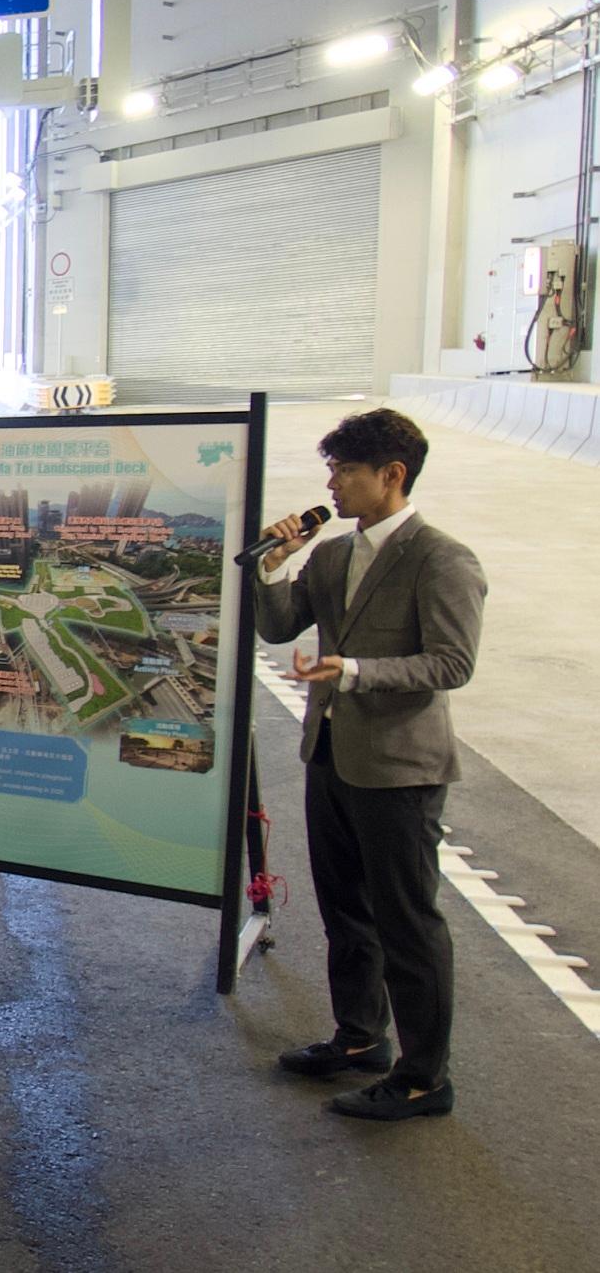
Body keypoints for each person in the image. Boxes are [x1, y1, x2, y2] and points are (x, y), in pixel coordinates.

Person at [254, 406, 485, 1122]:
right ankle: (359, 1040)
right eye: (331, 469)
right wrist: (269, 567)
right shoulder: (330, 554)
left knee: (408, 924)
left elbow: (452, 663)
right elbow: (276, 624)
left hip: (400, 769)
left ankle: (423, 1078)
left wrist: (353, 670)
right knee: (346, 911)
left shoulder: (442, 559)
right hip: (330, 755)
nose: (333, 483)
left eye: (346, 470)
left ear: (392, 475)